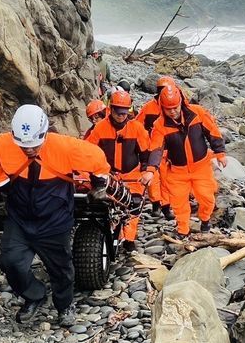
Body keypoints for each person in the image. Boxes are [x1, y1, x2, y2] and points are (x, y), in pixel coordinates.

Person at [0, 104, 111, 325]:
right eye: (23, 146)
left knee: (61, 268)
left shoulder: (65, 147)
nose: (29, 150)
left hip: (54, 219)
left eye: (34, 145)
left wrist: (98, 184)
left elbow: (98, 159)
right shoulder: (1, 145)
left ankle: (64, 306)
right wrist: (4, 185)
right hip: (20, 218)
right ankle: (34, 295)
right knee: (10, 261)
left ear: (45, 133)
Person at [143, 84, 227, 239]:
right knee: (179, 202)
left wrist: (220, 152)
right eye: (169, 108)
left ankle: (205, 220)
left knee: (206, 196)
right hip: (177, 170)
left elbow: (212, 132)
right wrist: (150, 170)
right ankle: (183, 229)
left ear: (181, 101)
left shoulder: (198, 113)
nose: (173, 111)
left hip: (200, 166)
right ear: (162, 107)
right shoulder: (159, 125)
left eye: (175, 107)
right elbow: (156, 149)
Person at [86, 91, 152, 251]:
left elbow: (146, 153)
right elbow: (88, 151)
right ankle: (112, 235)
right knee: (107, 206)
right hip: (109, 175)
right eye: (117, 112)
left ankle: (129, 240)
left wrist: (147, 171)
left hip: (132, 175)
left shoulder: (136, 128)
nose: (121, 116)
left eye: (124, 112)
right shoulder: (100, 128)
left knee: (134, 205)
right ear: (111, 108)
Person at [135, 76, 177, 220]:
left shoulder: (174, 108)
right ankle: (156, 205)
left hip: (168, 150)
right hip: (152, 149)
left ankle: (166, 207)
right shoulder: (148, 107)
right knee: (153, 179)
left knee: (167, 180)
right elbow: (137, 125)